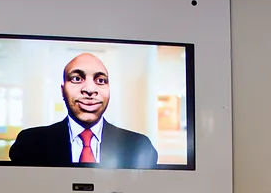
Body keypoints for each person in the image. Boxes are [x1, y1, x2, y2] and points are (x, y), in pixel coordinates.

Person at [9, 53, 159, 169]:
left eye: (100, 80)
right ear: (62, 91)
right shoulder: (30, 143)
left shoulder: (139, 146)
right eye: (76, 78)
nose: (89, 90)